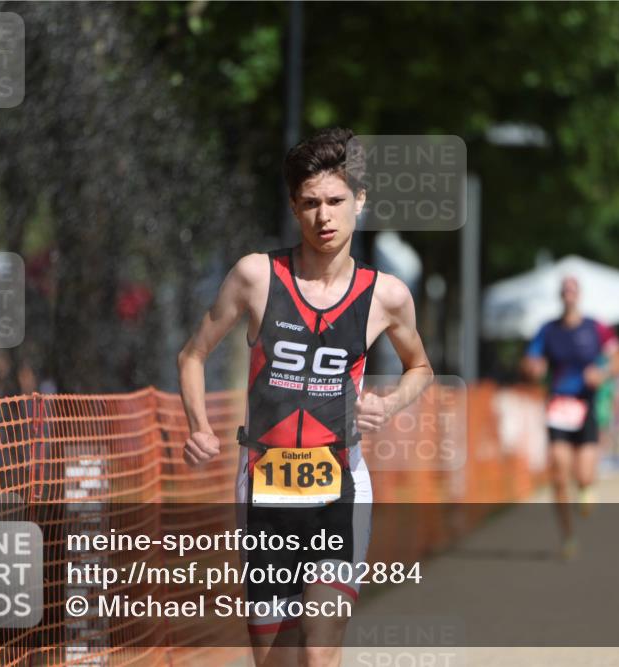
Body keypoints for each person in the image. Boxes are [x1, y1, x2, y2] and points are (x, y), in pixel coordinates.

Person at [178, 128, 433, 667]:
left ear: (360, 202)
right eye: (311, 203)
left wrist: (388, 403)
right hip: (264, 488)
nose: (325, 217)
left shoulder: (385, 295)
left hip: (339, 486)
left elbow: (421, 368)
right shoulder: (256, 277)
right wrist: (199, 425)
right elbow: (193, 355)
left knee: (318, 652)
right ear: (294, 207)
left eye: (337, 201)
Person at [520, 276, 619, 560]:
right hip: (558, 408)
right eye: (564, 289)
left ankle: (588, 488)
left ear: (578, 295)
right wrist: (535, 368)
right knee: (558, 472)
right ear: (560, 295)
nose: (569, 293)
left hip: (586, 407)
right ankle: (567, 537)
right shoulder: (548, 330)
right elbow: (530, 360)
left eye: (573, 289)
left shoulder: (596, 327)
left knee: (584, 475)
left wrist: (602, 374)